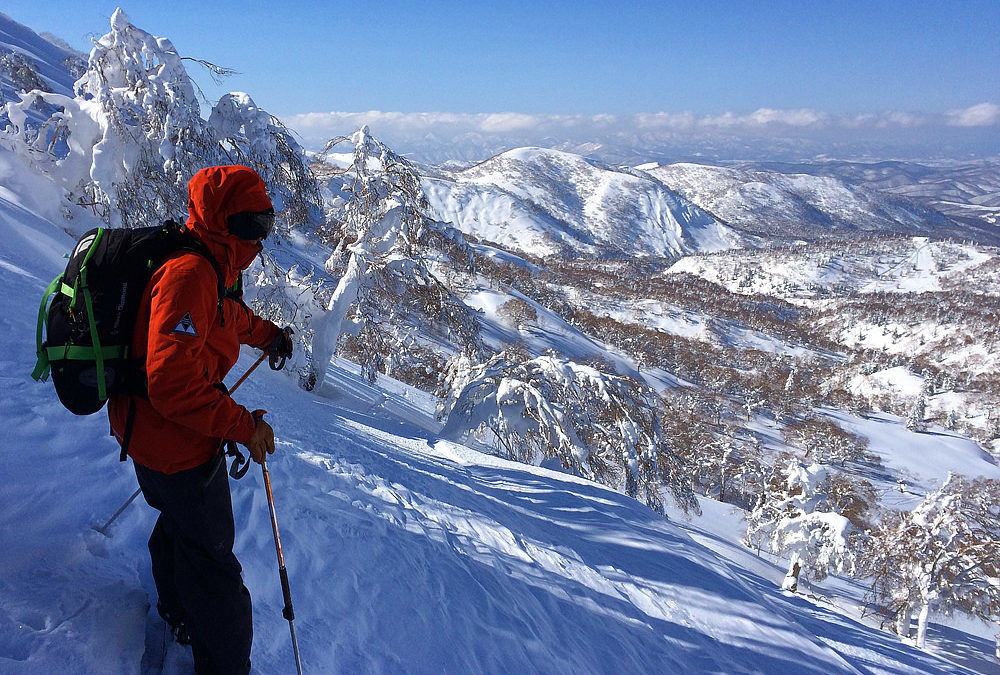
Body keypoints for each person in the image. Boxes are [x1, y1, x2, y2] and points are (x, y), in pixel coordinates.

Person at [108, 165, 293, 674]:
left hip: (148, 439)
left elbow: (227, 317)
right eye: (254, 226)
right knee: (214, 564)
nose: (260, 240)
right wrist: (243, 426)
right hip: (176, 448)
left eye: (266, 225)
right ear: (227, 223)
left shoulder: (205, 264)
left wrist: (270, 335)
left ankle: (176, 612)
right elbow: (171, 383)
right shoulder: (192, 274)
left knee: (180, 526)